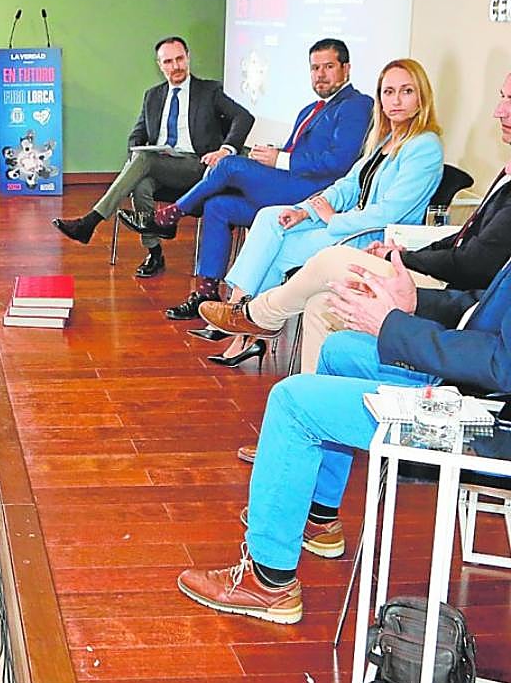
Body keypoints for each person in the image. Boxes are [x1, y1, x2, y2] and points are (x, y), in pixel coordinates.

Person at [177, 247, 511, 624]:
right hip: (475, 389)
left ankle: (269, 582)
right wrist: (415, 302)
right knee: (340, 349)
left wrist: (393, 326)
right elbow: (485, 310)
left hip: (490, 423)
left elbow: (503, 364)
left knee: (292, 402)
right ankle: (320, 518)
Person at [201, 69, 511, 374]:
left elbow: (390, 212)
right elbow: (348, 185)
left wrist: (335, 220)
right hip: (355, 228)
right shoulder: (385, 139)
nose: (396, 101)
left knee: (284, 252)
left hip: (371, 234)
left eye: (406, 91)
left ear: (422, 98)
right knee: (271, 218)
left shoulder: (424, 145)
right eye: (388, 92)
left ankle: (248, 323)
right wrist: (306, 211)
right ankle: (245, 316)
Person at [118, 39, 372, 319]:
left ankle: (169, 216)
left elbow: (341, 163)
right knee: (217, 207)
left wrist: (280, 159)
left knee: (227, 164)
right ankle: (206, 293)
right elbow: (289, 153)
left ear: (346, 69)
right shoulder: (310, 109)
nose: (320, 74)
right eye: (315, 68)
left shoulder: (356, 104)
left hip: (313, 196)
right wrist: (270, 156)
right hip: (287, 186)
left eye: (328, 67)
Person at [51, 36, 254, 278]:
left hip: (197, 168)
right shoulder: (153, 96)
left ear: (188, 58)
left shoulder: (209, 91)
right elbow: (137, 135)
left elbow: (244, 117)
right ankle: (155, 251)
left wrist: (225, 150)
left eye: (179, 59)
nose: (175, 66)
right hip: (160, 165)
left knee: (145, 162)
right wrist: (135, 153)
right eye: (168, 61)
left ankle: (90, 222)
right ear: (160, 65)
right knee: (141, 184)